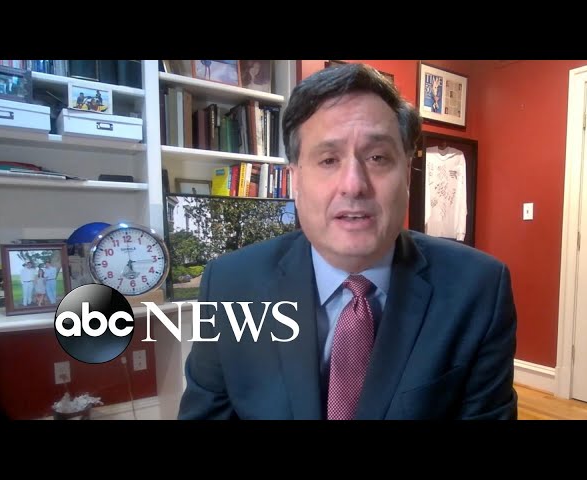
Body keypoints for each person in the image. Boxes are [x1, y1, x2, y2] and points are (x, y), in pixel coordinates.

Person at [178, 63, 517, 420]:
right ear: (296, 180)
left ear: (407, 174)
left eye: (377, 157)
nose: (354, 185)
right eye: (328, 160)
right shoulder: (229, 285)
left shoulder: (478, 289)